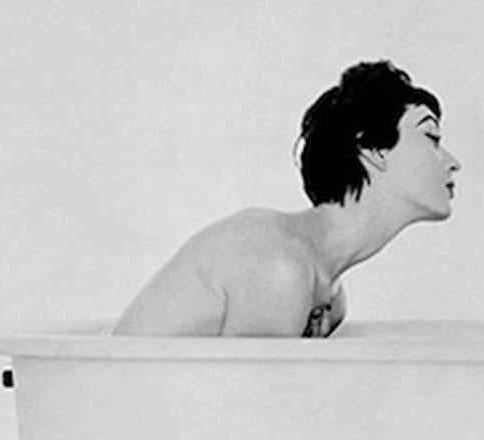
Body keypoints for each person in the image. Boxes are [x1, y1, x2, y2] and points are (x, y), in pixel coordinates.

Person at [113, 60, 460, 337]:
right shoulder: (278, 267)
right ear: (372, 149)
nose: (452, 162)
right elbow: (249, 416)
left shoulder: (328, 298)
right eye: (431, 136)